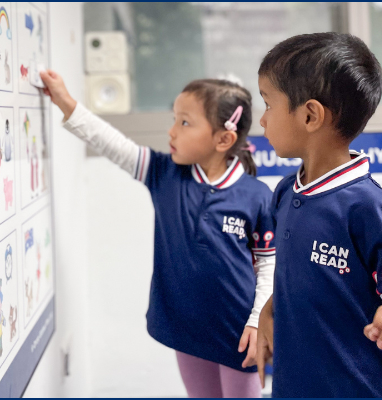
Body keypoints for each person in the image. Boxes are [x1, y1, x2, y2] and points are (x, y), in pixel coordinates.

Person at [39, 70, 276, 398]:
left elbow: (268, 266)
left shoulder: (257, 195)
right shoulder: (164, 174)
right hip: (185, 328)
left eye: (185, 123)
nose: (172, 131)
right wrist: (65, 102)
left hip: (239, 331)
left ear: (223, 139)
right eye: (174, 119)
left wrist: (257, 322)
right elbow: (111, 143)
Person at [253, 33, 382, 398]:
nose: (262, 120)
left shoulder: (368, 206)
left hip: (357, 388)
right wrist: (268, 313)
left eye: (268, 104)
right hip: (295, 385)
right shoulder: (286, 192)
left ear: (310, 115)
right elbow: (297, 276)